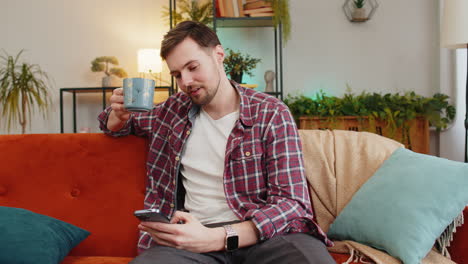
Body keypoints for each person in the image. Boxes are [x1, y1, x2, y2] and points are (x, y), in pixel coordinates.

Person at [98, 20, 334, 264]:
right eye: (177, 74)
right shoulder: (171, 112)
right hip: (189, 241)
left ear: (219, 55)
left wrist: (219, 237)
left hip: (266, 237)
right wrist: (118, 113)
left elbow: (292, 203)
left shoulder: (271, 113)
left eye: (192, 67)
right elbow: (119, 125)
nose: (186, 82)